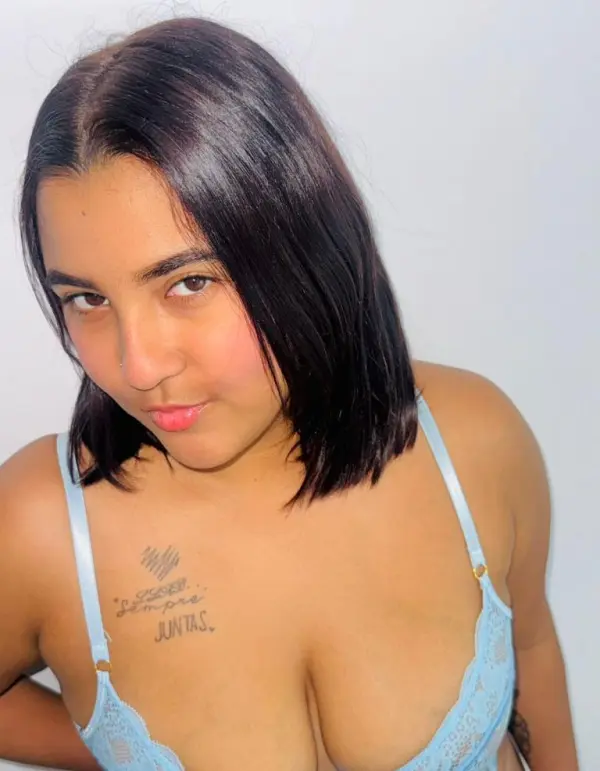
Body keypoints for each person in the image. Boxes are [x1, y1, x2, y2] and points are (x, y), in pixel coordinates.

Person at [0, 16, 577, 771]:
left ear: (301, 248)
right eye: (86, 298)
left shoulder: (472, 444)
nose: (136, 366)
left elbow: (531, 645)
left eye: (189, 282)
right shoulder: (42, 528)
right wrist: (104, 740)